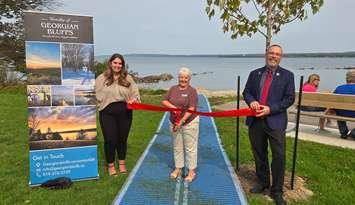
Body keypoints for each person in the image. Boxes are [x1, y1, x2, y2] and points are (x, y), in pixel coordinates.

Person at [243, 44, 295, 205]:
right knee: (259, 153)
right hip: (256, 121)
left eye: (277, 54)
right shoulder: (255, 74)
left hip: (276, 122)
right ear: (266, 54)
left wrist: (270, 109)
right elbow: (246, 92)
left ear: (281, 57)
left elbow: (289, 99)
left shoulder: (287, 76)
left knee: (279, 156)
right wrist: (251, 101)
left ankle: (277, 191)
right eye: (271, 53)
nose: (273, 56)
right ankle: (263, 182)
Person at [95, 53, 140, 176]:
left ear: (122, 65)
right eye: (115, 62)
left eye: (120, 63)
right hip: (107, 113)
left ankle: (121, 163)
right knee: (110, 140)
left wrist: (133, 100)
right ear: (110, 63)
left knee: (122, 139)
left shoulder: (127, 78)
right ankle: (110, 165)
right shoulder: (101, 78)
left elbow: (135, 93)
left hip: (125, 113)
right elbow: (96, 94)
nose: (117, 65)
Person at [162, 67, 199, 183]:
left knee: (190, 148)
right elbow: (164, 101)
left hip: (189, 122)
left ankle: (191, 171)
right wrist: (174, 108)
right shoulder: (173, 89)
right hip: (173, 122)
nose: (183, 79)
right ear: (178, 78)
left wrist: (181, 121)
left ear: (189, 79)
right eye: (181, 77)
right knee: (177, 146)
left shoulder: (192, 91)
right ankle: (178, 168)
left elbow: (192, 108)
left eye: (185, 77)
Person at [333, 70, 355, 139]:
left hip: (342, 113)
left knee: (338, 110)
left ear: (347, 78)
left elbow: (333, 103)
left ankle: (343, 132)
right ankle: (353, 133)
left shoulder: (339, 88)